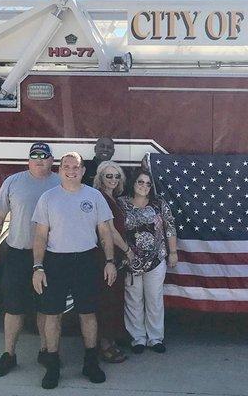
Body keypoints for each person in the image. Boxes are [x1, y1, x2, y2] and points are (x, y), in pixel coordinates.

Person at [31, 152, 116, 389]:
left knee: (88, 313)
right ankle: (53, 364)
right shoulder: (48, 198)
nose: (71, 170)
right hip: (55, 262)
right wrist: (38, 266)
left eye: (76, 167)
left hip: (86, 260)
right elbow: (40, 236)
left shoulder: (94, 196)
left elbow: (105, 232)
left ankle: (90, 362)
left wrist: (110, 260)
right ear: (59, 170)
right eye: (66, 166)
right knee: (52, 314)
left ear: (82, 171)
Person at [0, 142, 60, 377]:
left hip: (51, 256)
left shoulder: (61, 182)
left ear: (52, 160)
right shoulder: (13, 182)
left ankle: (45, 351)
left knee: (47, 307)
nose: (39, 160)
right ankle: (9, 354)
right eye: (35, 156)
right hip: (18, 254)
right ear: (28, 160)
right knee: (13, 307)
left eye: (44, 156)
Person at [119, 169, 177, 354]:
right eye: (140, 182)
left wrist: (173, 252)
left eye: (148, 183)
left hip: (156, 259)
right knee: (133, 298)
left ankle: (155, 338)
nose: (144, 186)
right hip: (130, 260)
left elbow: (170, 227)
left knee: (154, 298)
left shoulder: (159, 204)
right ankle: (138, 339)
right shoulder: (122, 204)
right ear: (133, 183)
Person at [93, 161, 135, 363]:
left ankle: (112, 338)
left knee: (115, 297)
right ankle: (104, 344)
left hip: (115, 256)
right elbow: (109, 229)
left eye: (117, 176)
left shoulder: (114, 198)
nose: (113, 180)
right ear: (100, 178)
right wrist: (127, 250)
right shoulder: (99, 197)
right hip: (105, 255)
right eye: (108, 176)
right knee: (106, 299)